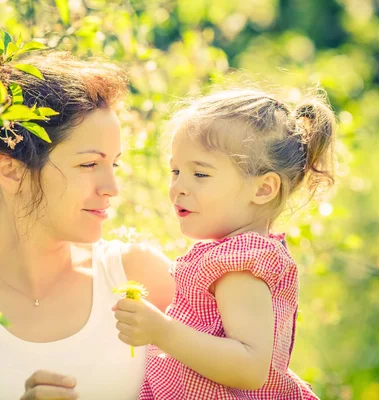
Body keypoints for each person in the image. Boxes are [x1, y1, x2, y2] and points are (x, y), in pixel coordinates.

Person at [0, 51, 175, 400]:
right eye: (89, 164)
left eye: (114, 165)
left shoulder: (137, 277)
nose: (112, 188)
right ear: (11, 171)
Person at [113, 89, 335, 399]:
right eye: (175, 171)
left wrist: (161, 331)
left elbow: (249, 368)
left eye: (200, 173)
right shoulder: (225, 254)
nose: (178, 187)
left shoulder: (240, 264)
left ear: (263, 189)